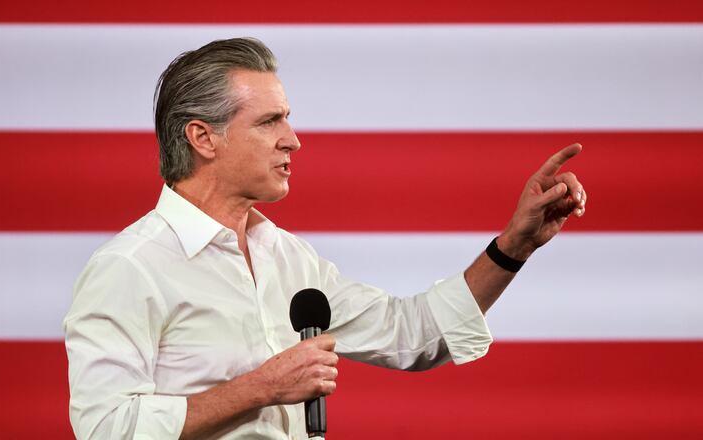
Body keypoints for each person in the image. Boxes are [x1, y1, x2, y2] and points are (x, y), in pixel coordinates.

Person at [64, 37, 587, 440]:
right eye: (270, 121)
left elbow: (414, 335)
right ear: (203, 138)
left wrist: (513, 246)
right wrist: (261, 389)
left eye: (287, 118)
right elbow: (107, 426)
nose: (293, 138)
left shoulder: (288, 258)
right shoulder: (129, 267)